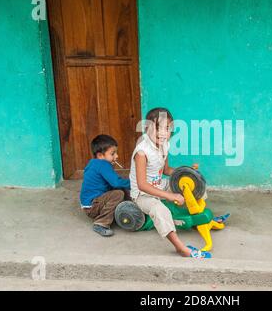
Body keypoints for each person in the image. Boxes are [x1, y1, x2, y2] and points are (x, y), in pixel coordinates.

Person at [129, 108, 211, 258]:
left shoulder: (165, 145)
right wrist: (169, 196)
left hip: (159, 184)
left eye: (167, 128)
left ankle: (200, 217)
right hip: (143, 194)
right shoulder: (142, 152)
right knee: (161, 211)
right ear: (147, 128)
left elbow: (166, 170)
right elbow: (142, 185)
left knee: (193, 186)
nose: (162, 133)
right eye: (157, 128)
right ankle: (180, 248)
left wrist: (186, 172)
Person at [80, 134, 130, 237]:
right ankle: (101, 223)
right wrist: (134, 183)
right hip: (92, 206)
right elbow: (116, 182)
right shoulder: (103, 164)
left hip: (90, 204)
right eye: (113, 153)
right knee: (118, 193)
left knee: (119, 188)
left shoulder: (94, 163)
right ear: (100, 155)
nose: (116, 156)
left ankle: (127, 208)